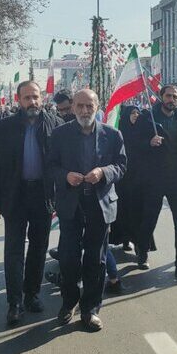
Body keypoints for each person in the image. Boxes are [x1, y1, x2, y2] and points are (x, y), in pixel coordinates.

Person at [0, 81, 63, 325]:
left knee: (39, 248)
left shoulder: (56, 125)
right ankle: (15, 302)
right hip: (14, 197)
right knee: (14, 250)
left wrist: (61, 198)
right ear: (18, 100)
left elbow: (62, 163)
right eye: (27, 98)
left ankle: (32, 294)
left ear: (42, 98)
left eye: (36, 97)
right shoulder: (3, 128)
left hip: (43, 196)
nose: (32, 102)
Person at [49, 89, 126, 332]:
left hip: (100, 205)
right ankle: (68, 303)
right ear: (72, 108)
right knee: (69, 258)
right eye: (80, 106)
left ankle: (90, 309)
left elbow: (122, 165)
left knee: (96, 259)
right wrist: (65, 176)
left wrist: (103, 172)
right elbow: (50, 166)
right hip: (71, 206)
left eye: (89, 106)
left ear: (97, 106)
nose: (84, 111)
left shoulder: (112, 135)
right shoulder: (60, 134)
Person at [135, 85, 177, 282]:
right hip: (154, 179)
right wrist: (148, 143)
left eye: (175, 97)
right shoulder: (148, 118)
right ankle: (142, 250)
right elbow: (133, 144)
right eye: (168, 96)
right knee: (149, 218)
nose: (172, 100)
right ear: (161, 97)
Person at [110, 105, 141, 251]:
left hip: (139, 178)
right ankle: (124, 239)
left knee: (138, 212)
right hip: (122, 179)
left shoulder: (144, 131)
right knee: (122, 211)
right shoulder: (118, 133)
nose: (136, 115)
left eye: (137, 112)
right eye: (132, 113)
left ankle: (141, 246)